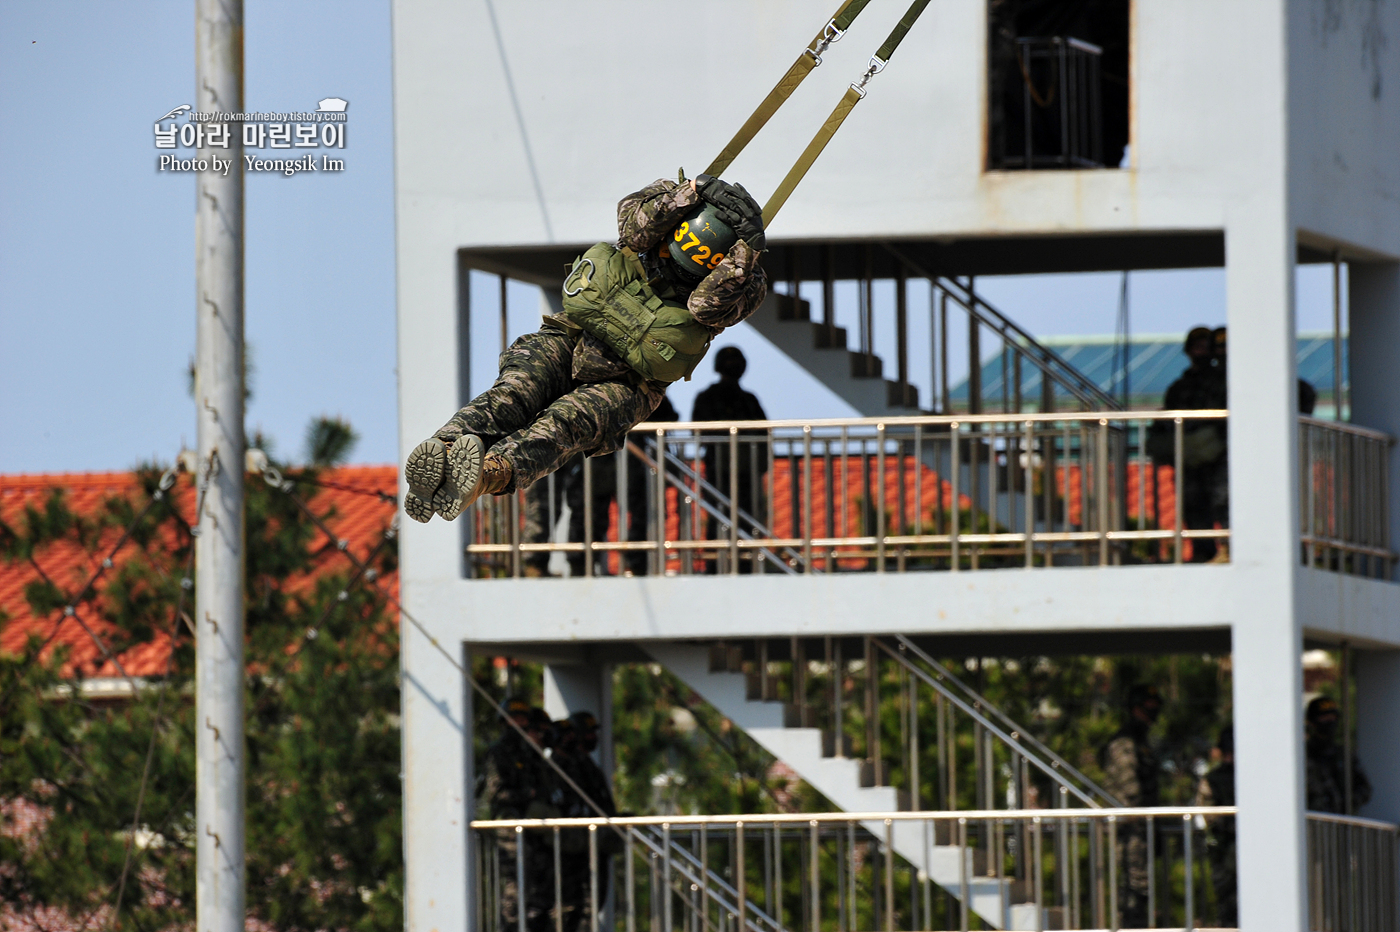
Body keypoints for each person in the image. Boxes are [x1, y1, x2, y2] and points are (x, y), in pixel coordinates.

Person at [402, 174, 769, 524]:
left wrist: (744, 252)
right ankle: (443, 454)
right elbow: (631, 226)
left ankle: (485, 476)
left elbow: (706, 307)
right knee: (514, 393)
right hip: (572, 336)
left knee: (562, 426)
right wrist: (688, 192)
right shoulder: (667, 205)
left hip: (628, 383)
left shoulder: (747, 282)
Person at [564, 395, 678, 576]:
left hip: (633, 459)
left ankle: (636, 563)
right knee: (589, 513)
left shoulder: (647, 388)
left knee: (644, 511)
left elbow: (667, 417)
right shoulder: (593, 388)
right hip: (598, 458)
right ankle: (581, 565)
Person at [1149, 327, 1228, 562]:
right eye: (1197, 347)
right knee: (1193, 503)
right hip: (1189, 458)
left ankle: (1229, 548)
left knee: (1223, 501)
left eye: (1206, 347)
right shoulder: (1180, 387)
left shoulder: (1224, 381)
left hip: (1219, 456)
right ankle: (1203, 551)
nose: (1200, 352)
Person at [479, 701, 559, 932]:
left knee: (539, 890)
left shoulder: (529, 752)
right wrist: (528, 794)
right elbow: (496, 793)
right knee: (516, 888)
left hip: (533, 829)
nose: (522, 724)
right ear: (504, 721)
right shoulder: (499, 752)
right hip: (510, 828)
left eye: (524, 719)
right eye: (516, 719)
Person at [692, 347, 769, 572]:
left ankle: (742, 566)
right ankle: (716, 567)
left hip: (744, 472)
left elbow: (762, 434)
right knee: (720, 520)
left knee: (743, 521)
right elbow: (701, 432)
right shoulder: (711, 398)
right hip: (720, 471)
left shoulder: (747, 400)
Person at [1102, 683, 1163, 929]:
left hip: (1141, 831)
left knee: (1141, 892)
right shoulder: (1125, 742)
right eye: (1147, 708)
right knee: (1132, 893)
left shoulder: (1142, 740)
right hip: (1130, 832)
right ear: (1135, 709)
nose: (1152, 713)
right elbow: (1130, 790)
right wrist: (1143, 821)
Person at [553, 711, 619, 932]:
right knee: (578, 907)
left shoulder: (587, 764)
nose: (592, 737)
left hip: (596, 846)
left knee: (594, 904)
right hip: (578, 849)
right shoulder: (564, 764)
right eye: (587, 733)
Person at [1195, 725, 1236, 927]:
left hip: (1249, 849)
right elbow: (1207, 813)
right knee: (1227, 905)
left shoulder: (1253, 777)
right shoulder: (1213, 779)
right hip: (1223, 848)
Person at [1305, 696, 1371, 814]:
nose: (1330, 722)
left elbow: (1365, 788)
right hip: (1314, 823)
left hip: (1342, 823)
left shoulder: (1343, 754)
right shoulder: (1304, 754)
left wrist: (1348, 802)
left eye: (1333, 718)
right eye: (1324, 718)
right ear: (1312, 722)